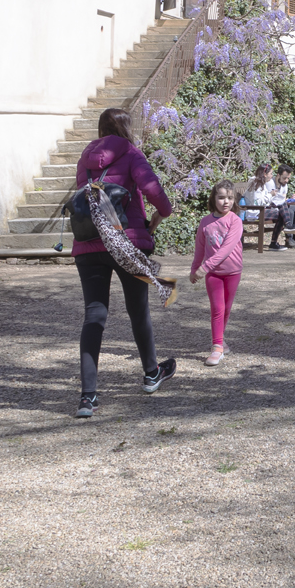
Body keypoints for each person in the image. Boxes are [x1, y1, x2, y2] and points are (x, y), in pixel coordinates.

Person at [72, 107, 177, 418]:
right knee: (137, 311)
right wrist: (161, 214)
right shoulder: (131, 153)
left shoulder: (85, 158)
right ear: (126, 129)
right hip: (125, 241)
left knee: (94, 315)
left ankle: (88, 397)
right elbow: (156, 194)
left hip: (89, 244)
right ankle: (150, 373)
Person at [189, 180, 245, 366]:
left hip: (232, 272)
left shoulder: (235, 221)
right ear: (214, 198)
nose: (226, 202)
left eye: (230, 198)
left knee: (226, 309)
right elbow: (200, 248)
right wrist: (194, 269)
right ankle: (217, 347)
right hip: (213, 274)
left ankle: (220, 340)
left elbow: (226, 249)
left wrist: (204, 267)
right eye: (221, 197)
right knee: (217, 309)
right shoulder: (205, 222)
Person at [268, 164, 295, 248]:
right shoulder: (270, 184)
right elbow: (269, 200)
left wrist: (291, 200)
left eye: (288, 178)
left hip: (283, 205)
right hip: (274, 206)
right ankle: (289, 239)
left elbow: (284, 199)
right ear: (278, 175)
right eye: (284, 178)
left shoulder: (285, 185)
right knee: (290, 212)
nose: (286, 180)